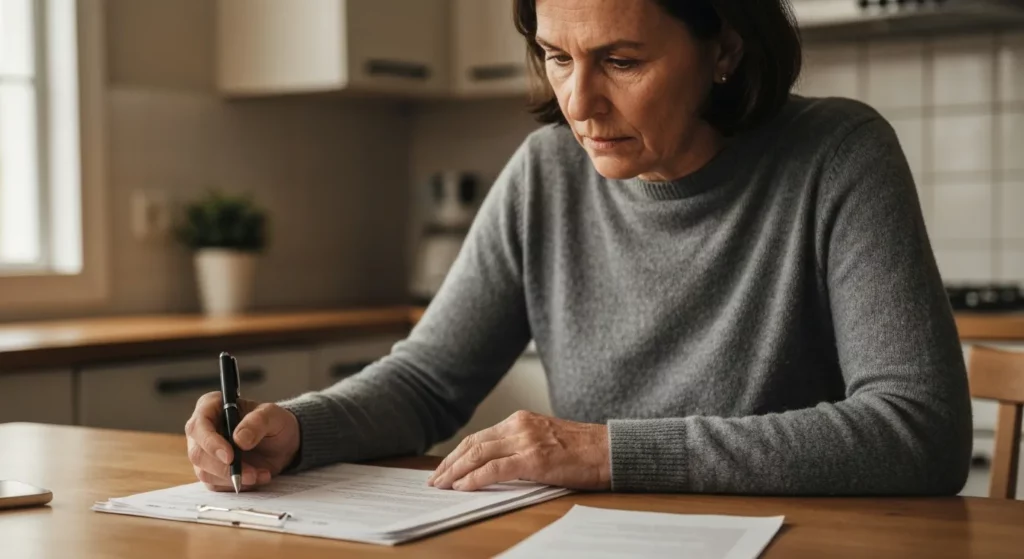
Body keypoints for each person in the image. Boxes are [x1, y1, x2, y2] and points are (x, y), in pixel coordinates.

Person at [185, 0, 973, 496]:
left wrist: (606, 450)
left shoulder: (839, 153)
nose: (578, 103)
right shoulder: (547, 171)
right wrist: (298, 427)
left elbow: (918, 432)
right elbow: (430, 379)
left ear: (725, 48)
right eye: (558, 57)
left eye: (621, 61)